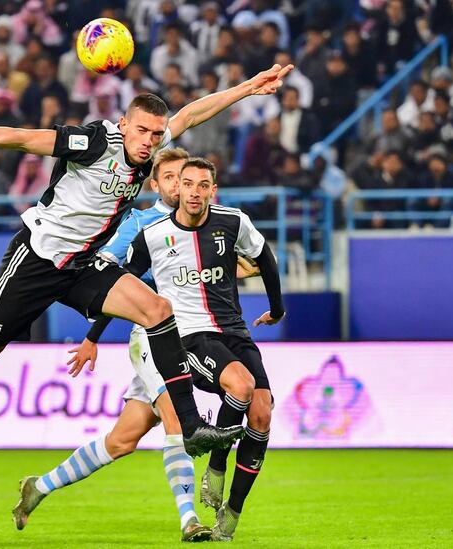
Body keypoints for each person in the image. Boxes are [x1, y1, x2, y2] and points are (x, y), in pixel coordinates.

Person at [0, 63, 294, 514]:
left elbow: (194, 114)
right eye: (141, 131)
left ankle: (190, 425)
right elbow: (25, 138)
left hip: (83, 265)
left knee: (158, 310)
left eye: (156, 133)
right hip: (37, 261)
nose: (149, 141)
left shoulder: (154, 144)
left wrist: (247, 88)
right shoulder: (94, 142)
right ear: (124, 125)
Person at [12, 148, 259, 541]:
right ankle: (189, 520)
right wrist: (93, 335)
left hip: (195, 336)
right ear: (157, 184)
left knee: (122, 440)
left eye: (187, 177)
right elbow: (112, 276)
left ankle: (39, 486)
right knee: (179, 419)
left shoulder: (206, 223)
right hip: (152, 336)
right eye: (173, 178)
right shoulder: (139, 224)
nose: (182, 186)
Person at [77, 157, 284, 541]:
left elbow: (265, 257)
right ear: (176, 190)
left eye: (202, 185)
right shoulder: (152, 235)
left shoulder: (232, 222)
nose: (193, 192)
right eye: (186, 184)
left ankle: (231, 515)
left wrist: (278, 307)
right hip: (187, 336)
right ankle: (216, 469)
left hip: (233, 331)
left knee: (262, 409)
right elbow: (119, 286)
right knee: (240, 386)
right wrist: (93, 336)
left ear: (211, 190)